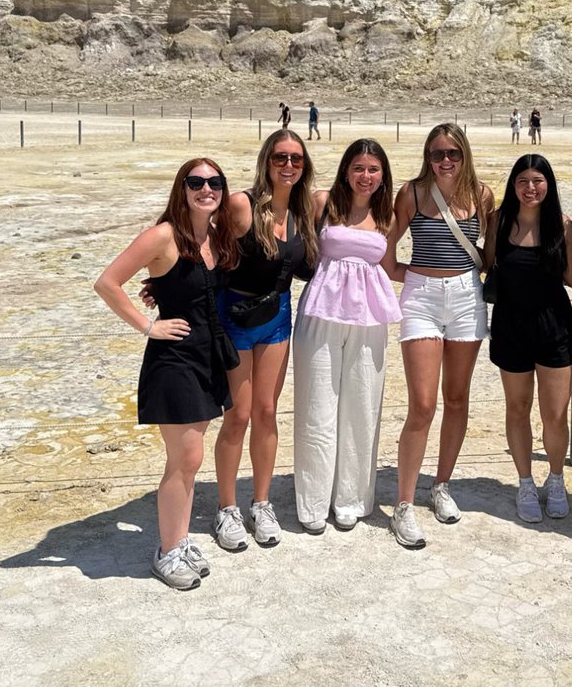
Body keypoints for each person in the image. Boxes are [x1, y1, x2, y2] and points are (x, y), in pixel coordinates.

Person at [93, 158, 241, 589]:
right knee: (186, 458)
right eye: (196, 182)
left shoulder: (215, 234)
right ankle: (167, 551)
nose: (206, 189)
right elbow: (107, 282)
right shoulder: (163, 236)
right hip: (173, 359)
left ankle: (177, 540)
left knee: (188, 460)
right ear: (182, 188)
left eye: (214, 182)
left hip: (206, 357)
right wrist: (148, 325)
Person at [383, 123, 494, 548]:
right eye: (436, 154)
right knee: (423, 405)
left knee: (458, 398)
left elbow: (489, 252)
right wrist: (412, 279)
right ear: (427, 156)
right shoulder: (412, 193)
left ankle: (441, 485)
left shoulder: (481, 195)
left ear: (464, 154)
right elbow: (388, 250)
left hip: (467, 297)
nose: (445, 161)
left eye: (452, 153)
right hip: (423, 299)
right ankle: (404, 504)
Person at [213, 128, 319, 550]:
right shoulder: (241, 204)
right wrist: (164, 283)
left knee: (267, 410)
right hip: (235, 316)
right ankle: (226, 508)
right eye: (280, 158)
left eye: (296, 159)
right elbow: (199, 235)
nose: (288, 165)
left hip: (277, 317)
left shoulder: (303, 210)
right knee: (237, 416)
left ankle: (261, 502)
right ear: (266, 161)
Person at [291, 139, 402, 533]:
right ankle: (313, 502)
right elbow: (285, 237)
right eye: (359, 167)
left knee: (361, 405)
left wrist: (446, 275)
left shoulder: (387, 213)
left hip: (369, 319)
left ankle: (351, 499)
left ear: (383, 174)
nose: (366, 176)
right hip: (321, 313)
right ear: (345, 169)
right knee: (316, 406)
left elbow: (390, 266)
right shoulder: (323, 202)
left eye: (374, 169)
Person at [484, 154, 572, 523]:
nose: (531, 188)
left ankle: (556, 479)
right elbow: (484, 264)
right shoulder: (498, 221)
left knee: (555, 414)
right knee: (517, 408)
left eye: (538, 181)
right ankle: (525, 482)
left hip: (554, 327)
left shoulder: (562, 225)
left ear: (549, 185)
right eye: (523, 181)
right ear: (513, 185)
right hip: (510, 326)